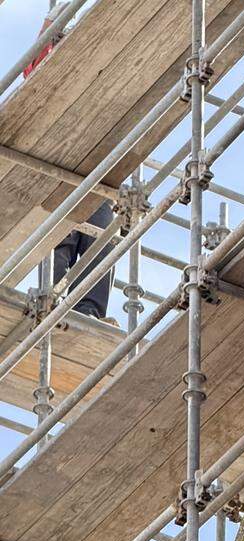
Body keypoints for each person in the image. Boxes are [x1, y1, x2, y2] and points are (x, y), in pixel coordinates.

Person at [24, 11, 116, 320]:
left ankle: (89, 311)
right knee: (59, 239)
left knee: (101, 237)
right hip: (56, 162)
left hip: (94, 168)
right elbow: (32, 69)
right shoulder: (49, 64)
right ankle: (51, 304)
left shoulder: (101, 76)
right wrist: (55, 28)